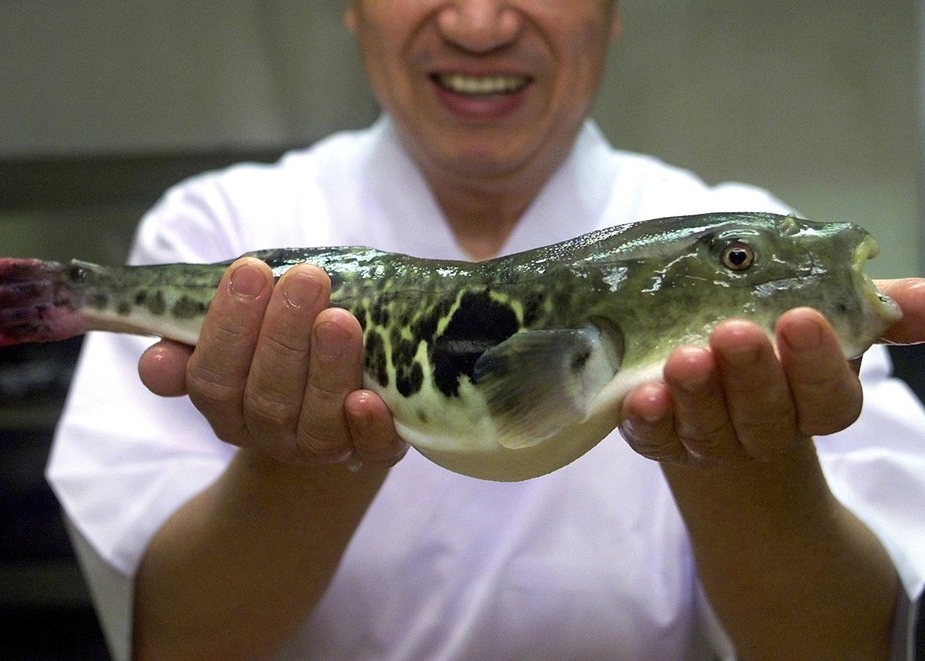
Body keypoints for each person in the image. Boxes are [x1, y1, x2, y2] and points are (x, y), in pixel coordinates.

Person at [46, 2, 925, 659]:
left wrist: (747, 455)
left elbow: (855, 640)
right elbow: (173, 641)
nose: (476, 23)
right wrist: (303, 445)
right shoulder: (215, 230)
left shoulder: (761, 251)